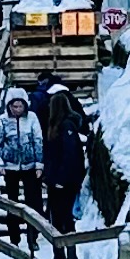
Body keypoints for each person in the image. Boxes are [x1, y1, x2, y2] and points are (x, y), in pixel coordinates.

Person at [37, 74, 89, 241]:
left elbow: (70, 155)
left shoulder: (66, 126)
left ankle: (68, 253)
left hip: (64, 180)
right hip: (57, 177)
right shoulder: (58, 127)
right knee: (57, 216)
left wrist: (60, 178)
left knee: (64, 216)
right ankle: (60, 253)